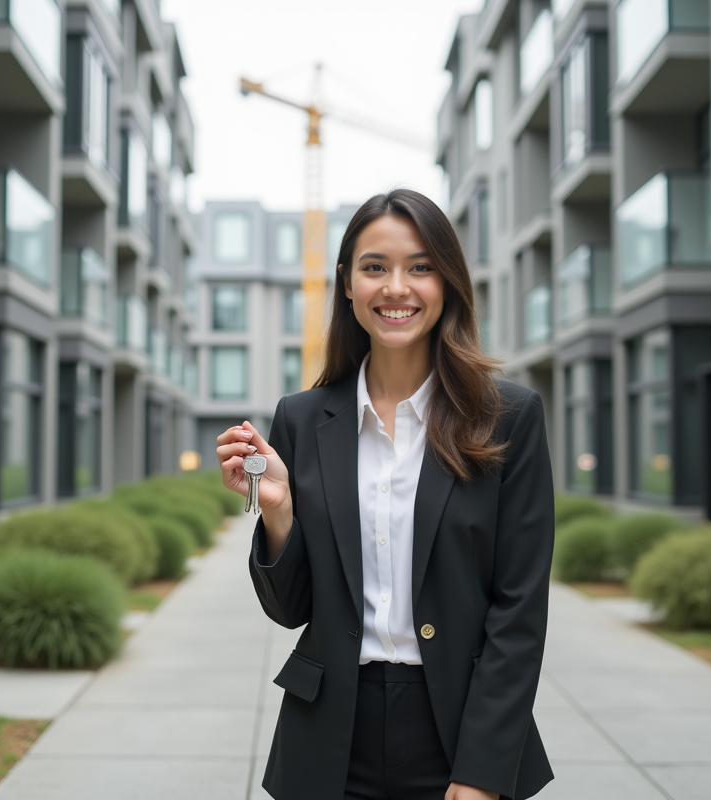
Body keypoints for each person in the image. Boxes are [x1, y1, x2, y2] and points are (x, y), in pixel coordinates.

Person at [216, 189, 554, 800]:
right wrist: (279, 514)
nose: (397, 287)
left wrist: (482, 772)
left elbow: (520, 611)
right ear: (347, 283)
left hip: (456, 731)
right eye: (375, 267)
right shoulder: (301, 418)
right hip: (327, 738)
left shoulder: (508, 417)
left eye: (420, 267)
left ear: (447, 282)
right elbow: (290, 610)